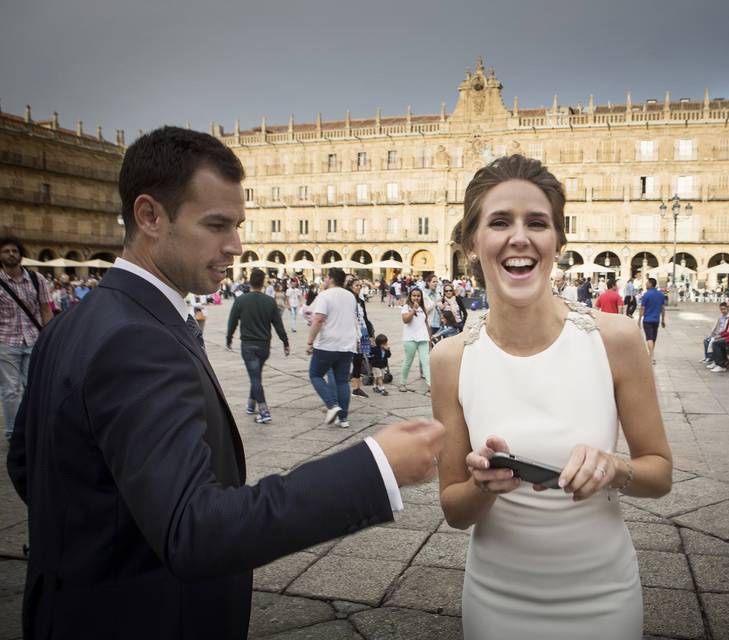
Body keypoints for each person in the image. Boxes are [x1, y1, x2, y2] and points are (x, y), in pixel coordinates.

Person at [6, 127, 445, 639]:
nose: (236, 245)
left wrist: (103, 535)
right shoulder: (136, 338)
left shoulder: (74, 323)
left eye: (237, 224)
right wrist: (374, 468)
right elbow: (195, 530)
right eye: (216, 225)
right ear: (149, 216)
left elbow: (28, 466)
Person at [431, 155, 671, 640]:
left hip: (603, 595)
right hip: (496, 597)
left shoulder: (616, 340)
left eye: (536, 223)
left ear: (557, 242)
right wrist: (482, 486)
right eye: (499, 222)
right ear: (471, 244)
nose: (519, 237)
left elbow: (659, 472)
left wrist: (615, 468)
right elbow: (454, 511)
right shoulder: (450, 358)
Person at [0, 236, 53, 441]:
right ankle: (14, 433)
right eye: (6, 251)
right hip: (6, 342)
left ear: (21, 253)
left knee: (33, 387)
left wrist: (48, 336)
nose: (11, 254)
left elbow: (45, 309)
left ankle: (34, 427)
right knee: (10, 391)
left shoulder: (36, 279)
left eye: (14, 250)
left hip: (34, 340)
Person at [226, 268, 289, 424]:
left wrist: (229, 338)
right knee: (256, 375)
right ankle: (250, 404)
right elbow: (278, 325)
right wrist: (285, 342)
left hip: (248, 345)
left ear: (249, 282)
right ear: (263, 283)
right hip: (264, 346)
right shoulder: (270, 301)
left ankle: (263, 410)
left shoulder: (241, 300)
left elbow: (232, 321)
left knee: (255, 377)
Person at [306, 267, 359, 428]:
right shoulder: (350, 296)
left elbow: (319, 319)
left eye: (326, 277)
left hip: (328, 344)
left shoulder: (325, 295)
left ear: (330, 278)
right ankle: (343, 419)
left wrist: (309, 342)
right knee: (342, 381)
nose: (325, 280)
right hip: (347, 343)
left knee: (315, 374)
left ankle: (332, 405)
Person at [398, 288, 431, 392]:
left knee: (426, 361)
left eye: (418, 296)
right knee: (408, 361)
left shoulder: (423, 307)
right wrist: (413, 310)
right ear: (410, 296)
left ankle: (430, 384)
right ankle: (402, 383)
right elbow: (405, 320)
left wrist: (429, 337)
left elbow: (425, 322)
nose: (416, 298)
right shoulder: (406, 307)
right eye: (414, 295)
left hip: (423, 338)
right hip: (410, 338)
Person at [348, 275, 375, 399]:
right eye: (356, 285)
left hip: (361, 331)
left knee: (358, 359)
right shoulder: (347, 300)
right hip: (349, 332)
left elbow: (365, 318)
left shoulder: (361, 301)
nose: (359, 287)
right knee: (348, 358)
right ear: (350, 287)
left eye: (360, 285)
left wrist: (370, 334)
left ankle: (356, 388)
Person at [638, 277, 666, 364]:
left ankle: (651, 356)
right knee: (653, 338)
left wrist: (639, 320)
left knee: (649, 338)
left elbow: (642, 308)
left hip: (647, 320)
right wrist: (663, 320)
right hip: (656, 320)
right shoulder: (661, 295)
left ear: (651, 284)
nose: (646, 284)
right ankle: (651, 355)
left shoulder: (646, 295)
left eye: (647, 283)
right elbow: (662, 308)